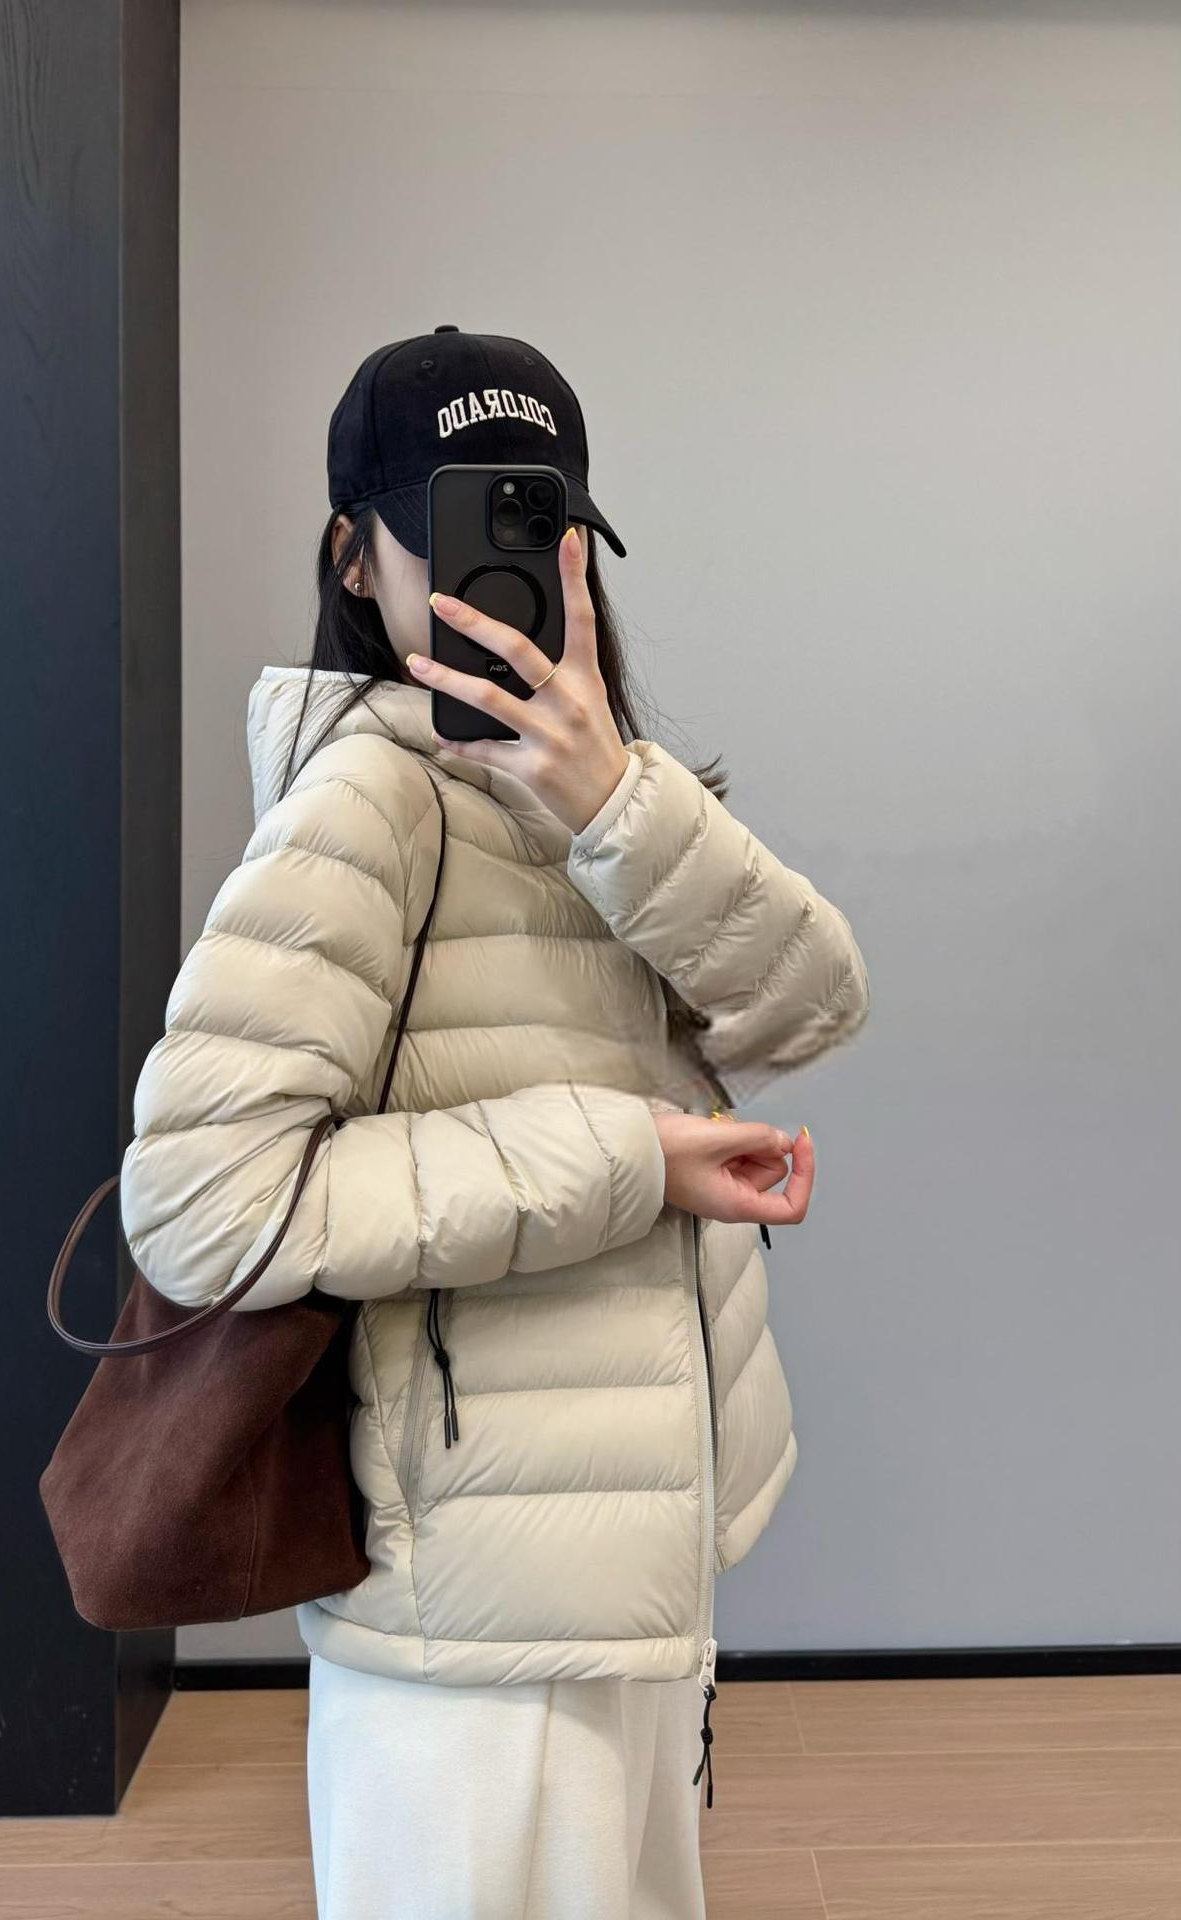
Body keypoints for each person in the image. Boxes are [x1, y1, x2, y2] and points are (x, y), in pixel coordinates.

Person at [118, 328, 870, 1918]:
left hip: (618, 1560)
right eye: (458, 526)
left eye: (540, 522)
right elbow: (201, 1204)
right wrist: (627, 1156)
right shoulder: (367, 800)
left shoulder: (606, 795)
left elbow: (811, 1003)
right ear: (355, 557)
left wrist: (613, 803)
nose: (506, 569)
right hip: (467, 1599)